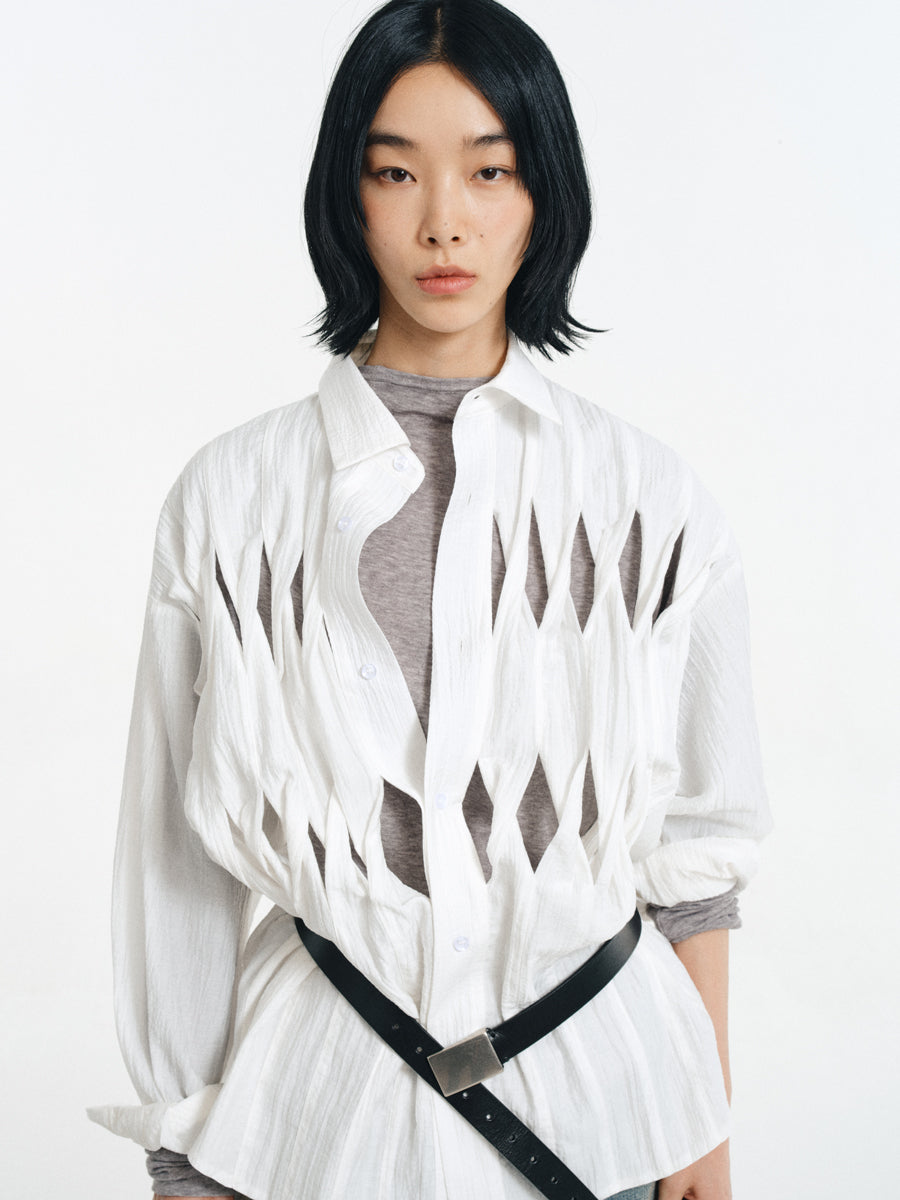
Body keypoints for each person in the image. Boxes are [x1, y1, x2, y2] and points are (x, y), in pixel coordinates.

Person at [88, 2, 770, 1198]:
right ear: (345, 197)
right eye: (395, 171)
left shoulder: (649, 503)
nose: (443, 220)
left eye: (489, 171)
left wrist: (699, 1131)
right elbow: (175, 866)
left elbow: (697, 854)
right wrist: (180, 1161)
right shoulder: (231, 503)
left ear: (542, 193)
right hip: (315, 1128)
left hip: (607, 1124)